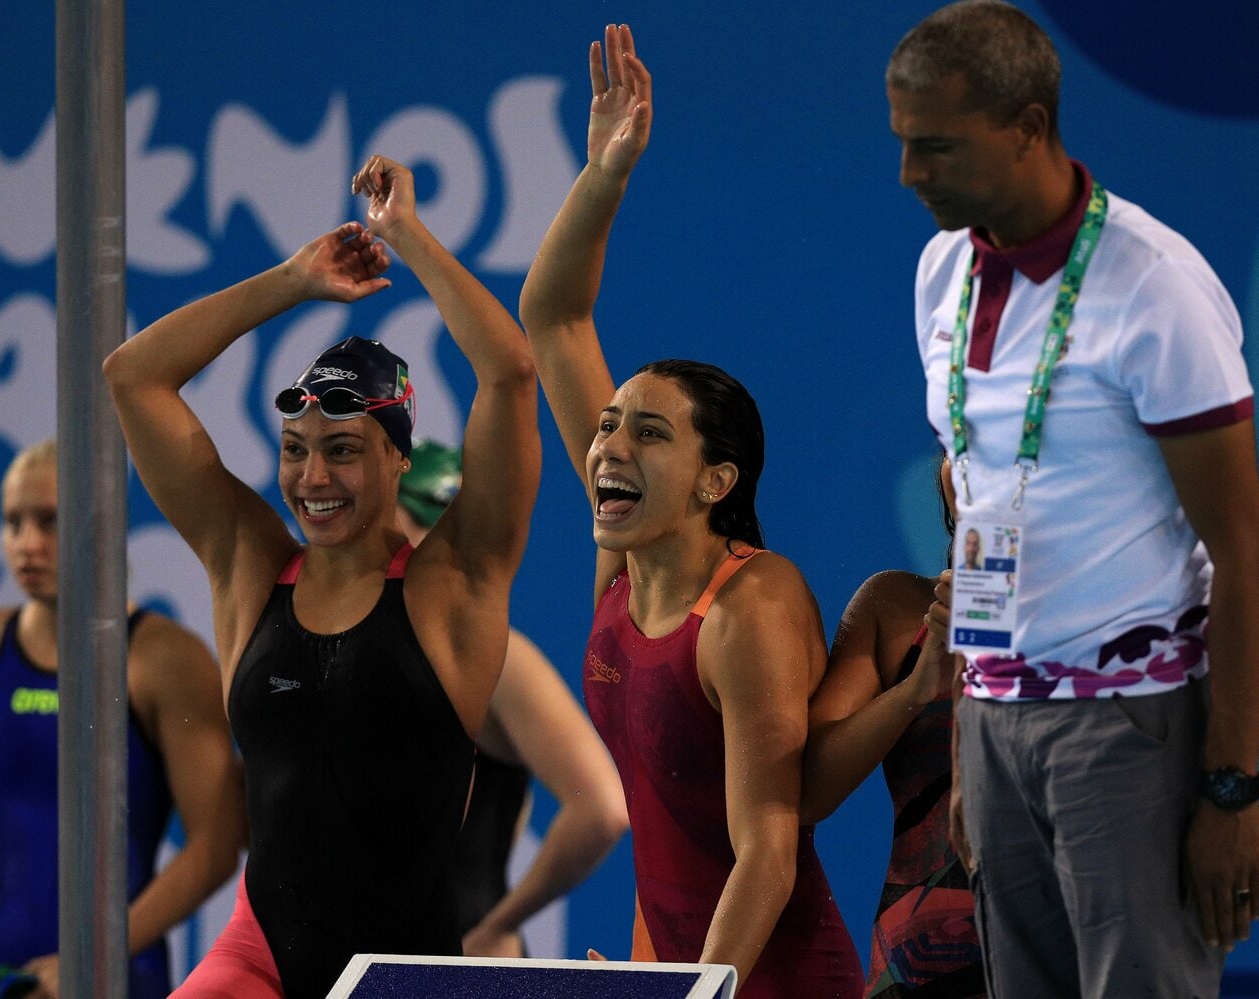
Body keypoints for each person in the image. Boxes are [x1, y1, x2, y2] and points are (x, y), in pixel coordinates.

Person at [887, 3, 1259, 995]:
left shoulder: (1154, 287)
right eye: (903, 143)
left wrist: (1231, 789)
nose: (910, 173)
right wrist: (973, 737)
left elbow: (1245, 549)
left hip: (1131, 729)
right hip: (997, 723)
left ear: (1027, 127)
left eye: (937, 146)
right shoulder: (942, 271)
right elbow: (974, 499)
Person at [104, 154, 539, 998]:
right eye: (294, 451)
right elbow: (134, 376)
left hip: (400, 975)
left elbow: (511, 373)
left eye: (342, 450)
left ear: (399, 457)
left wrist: (406, 236)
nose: (312, 479)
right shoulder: (249, 563)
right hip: (258, 955)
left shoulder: (453, 584)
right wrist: (292, 281)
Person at [519, 25, 860, 996]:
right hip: (679, 970)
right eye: (607, 426)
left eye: (649, 433)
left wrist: (689, 992)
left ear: (716, 481)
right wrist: (604, 174)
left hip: (776, 981)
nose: (609, 447)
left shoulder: (751, 608)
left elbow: (768, 852)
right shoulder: (623, 570)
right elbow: (553, 318)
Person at [0, 440, 245, 999]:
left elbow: (216, 844)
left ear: (103, 525)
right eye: (13, 522)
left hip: (114, 974)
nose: (27, 544)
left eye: (49, 521)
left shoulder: (165, 660)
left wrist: (92, 957)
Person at [394, 440, 629, 958]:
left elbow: (603, 808)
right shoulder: (360, 652)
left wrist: (498, 925)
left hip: (461, 962)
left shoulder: (498, 658)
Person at [801, 456, 984, 997]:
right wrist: (916, 688)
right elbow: (808, 790)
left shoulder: (1110, 622)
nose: (967, 462)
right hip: (922, 962)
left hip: (1074, 938)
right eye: (952, 443)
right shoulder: (895, 608)